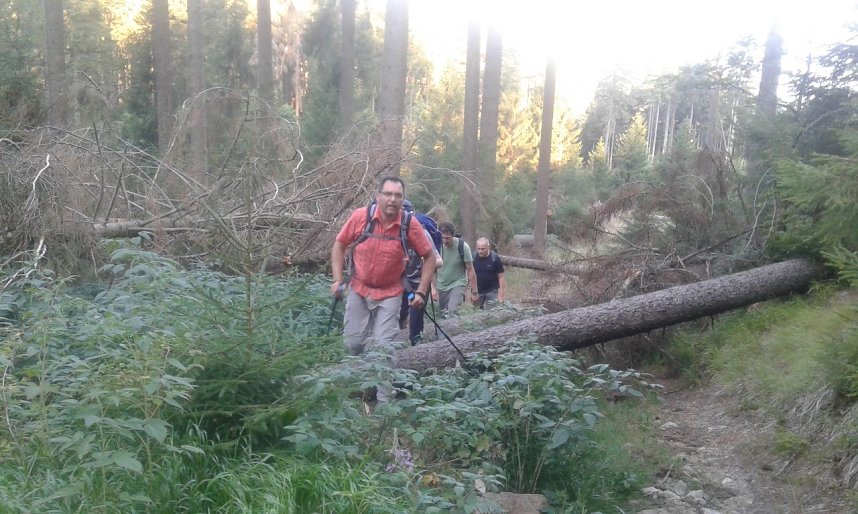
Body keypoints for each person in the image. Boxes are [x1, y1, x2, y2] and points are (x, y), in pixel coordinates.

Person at [330, 177, 436, 357]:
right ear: (378, 196)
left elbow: (430, 256)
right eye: (388, 194)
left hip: (391, 292)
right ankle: (355, 383)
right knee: (353, 344)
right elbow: (339, 245)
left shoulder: (409, 224)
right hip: (359, 288)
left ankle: (383, 385)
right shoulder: (360, 217)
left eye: (398, 195)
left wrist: (421, 291)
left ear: (403, 200)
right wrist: (337, 280)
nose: (392, 199)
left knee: (384, 348)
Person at [398, 200, 443, 345]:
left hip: (418, 283)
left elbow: (438, 260)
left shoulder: (422, 233)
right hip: (398, 283)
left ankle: (416, 346)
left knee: (416, 317)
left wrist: (427, 263)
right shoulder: (389, 233)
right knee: (398, 315)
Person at [433, 222, 477, 315]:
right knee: (443, 315)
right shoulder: (435, 246)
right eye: (443, 238)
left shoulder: (463, 247)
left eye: (447, 238)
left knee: (452, 311)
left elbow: (470, 269)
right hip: (441, 286)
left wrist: (474, 292)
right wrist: (432, 288)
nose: (445, 241)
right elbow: (428, 268)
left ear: (453, 236)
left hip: (458, 283)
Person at [472, 237, 506, 309]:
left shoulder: (495, 258)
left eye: (483, 249)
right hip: (478, 291)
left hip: (492, 290)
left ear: (488, 247)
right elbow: (470, 274)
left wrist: (501, 295)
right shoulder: (473, 257)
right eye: (478, 249)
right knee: (476, 313)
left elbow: (501, 276)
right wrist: (473, 292)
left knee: (492, 312)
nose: (480, 251)